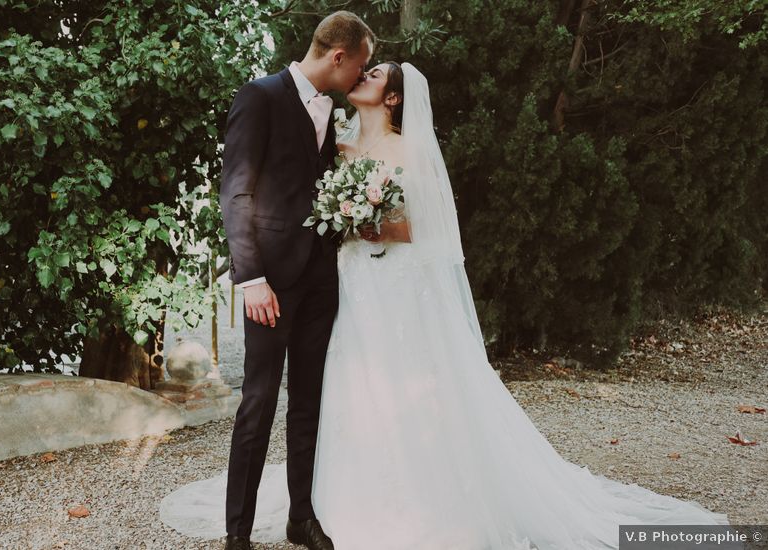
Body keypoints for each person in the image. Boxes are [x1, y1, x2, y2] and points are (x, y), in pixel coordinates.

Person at [161, 60, 732, 549]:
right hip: (345, 285)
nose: (363, 73)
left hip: (388, 283)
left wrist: (362, 219)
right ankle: (323, 507)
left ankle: (405, 502)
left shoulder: (408, 148)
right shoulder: (335, 137)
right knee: (348, 389)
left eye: (375, 73)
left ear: (392, 97)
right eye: (364, 66)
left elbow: (418, 225)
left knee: (402, 387)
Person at [210, 10, 374, 550]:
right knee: (258, 401)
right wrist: (250, 278)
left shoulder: (333, 112)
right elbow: (236, 192)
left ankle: (300, 516)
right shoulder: (258, 97)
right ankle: (238, 531)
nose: (359, 81)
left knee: (309, 400)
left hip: (320, 280)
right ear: (338, 57)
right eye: (361, 68)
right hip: (270, 284)